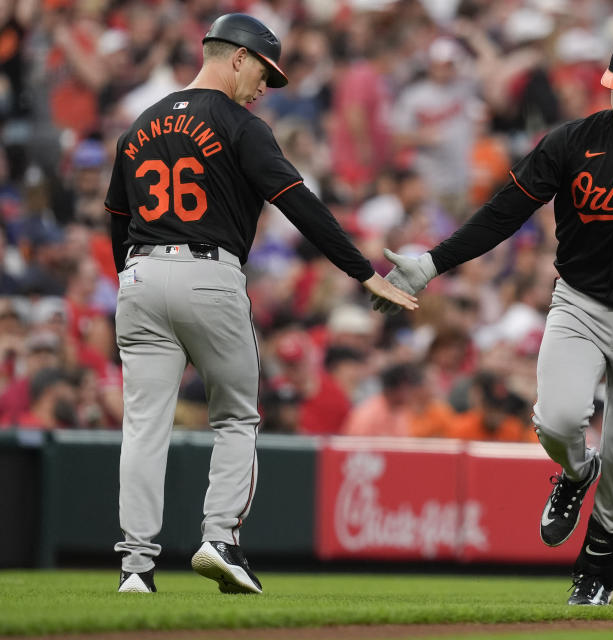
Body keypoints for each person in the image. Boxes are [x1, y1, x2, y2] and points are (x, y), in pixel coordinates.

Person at [372, 32, 613, 605]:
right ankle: (576, 473)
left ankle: (596, 572)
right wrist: (432, 263)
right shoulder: (572, 142)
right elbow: (504, 212)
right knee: (556, 420)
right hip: (580, 303)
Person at [104, 13, 417, 595]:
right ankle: (220, 538)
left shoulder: (140, 123)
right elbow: (299, 203)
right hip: (208, 273)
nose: (266, 87)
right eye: (265, 72)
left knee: (144, 429)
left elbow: (117, 217)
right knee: (237, 415)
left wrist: (133, 274)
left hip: (141, 275)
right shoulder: (240, 126)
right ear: (237, 57)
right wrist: (362, 272)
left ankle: (135, 569)